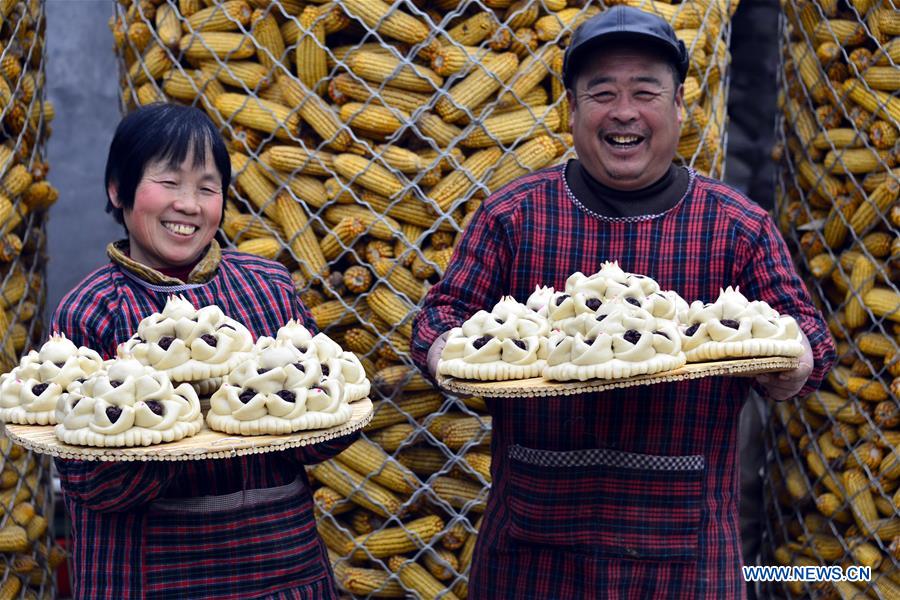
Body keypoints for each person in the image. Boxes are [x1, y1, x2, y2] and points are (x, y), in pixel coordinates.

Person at [411, 7, 836, 599]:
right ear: (572, 111)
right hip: (535, 544)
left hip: (684, 548)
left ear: (680, 105)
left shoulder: (738, 227)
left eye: (645, 91)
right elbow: (438, 318)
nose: (624, 111)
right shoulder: (513, 216)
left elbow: (811, 339)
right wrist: (453, 358)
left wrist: (789, 367)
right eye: (602, 92)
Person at [51, 103, 355, 599]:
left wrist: (310, 410)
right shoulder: (89, 311)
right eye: (169, 183)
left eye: (207, 188)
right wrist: (164, 431)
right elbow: (88, 479)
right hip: (151, 576)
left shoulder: (268, 289)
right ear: (117, 189)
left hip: (281, 568)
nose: (189, 205)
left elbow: (323, 429)